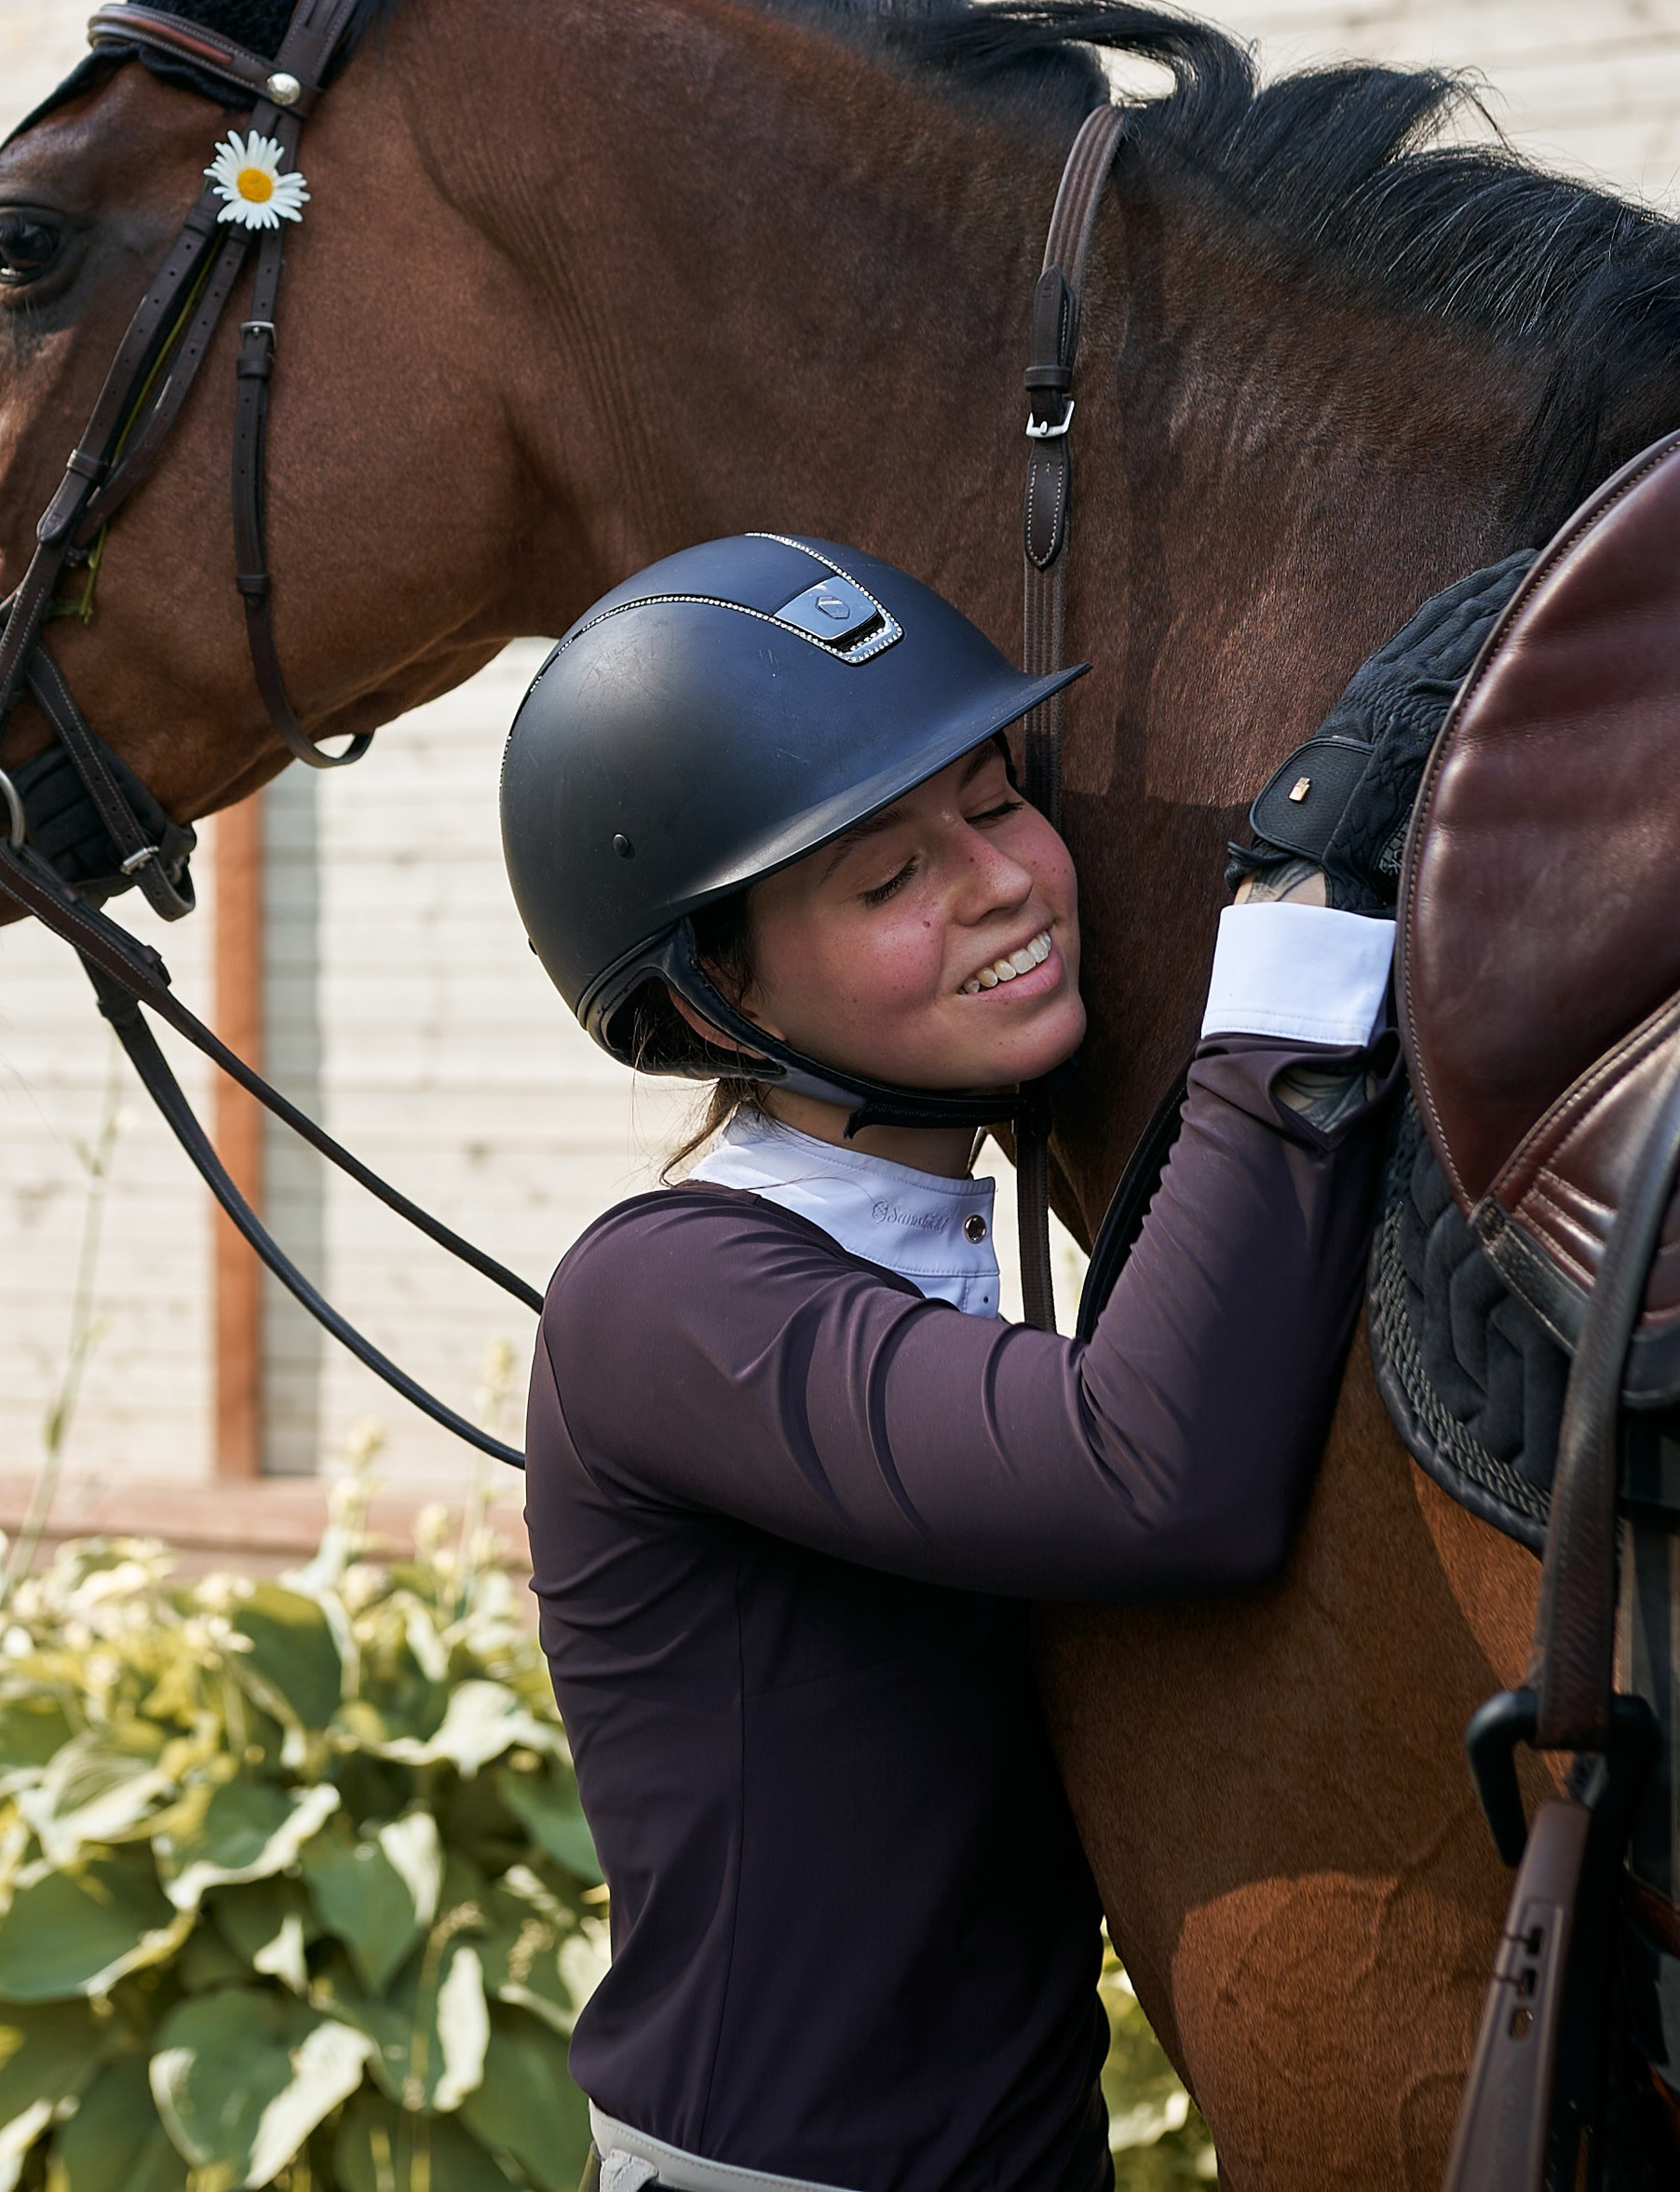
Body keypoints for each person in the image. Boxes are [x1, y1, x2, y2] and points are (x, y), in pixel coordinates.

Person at [500, 529, 1522, 2192]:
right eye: (886, 877)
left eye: (990, 803)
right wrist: (1300, 921)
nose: (994, 883)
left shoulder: (945, 1262)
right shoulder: (659, 1297)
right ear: (711, 1000)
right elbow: (1150, 1476)